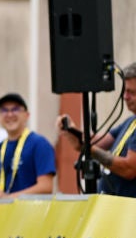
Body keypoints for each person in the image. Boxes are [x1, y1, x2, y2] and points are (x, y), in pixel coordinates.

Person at [0, 93, 56, 235]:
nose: (9, 114)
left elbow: (46, 186)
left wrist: (7, 198)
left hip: (34, 222)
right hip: (8, 225)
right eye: (4, 110)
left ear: (27, 115)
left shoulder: (39, 144)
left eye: (15, 109)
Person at [57, 62, 136, 197]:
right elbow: (97, 142)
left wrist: (88, 148)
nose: (125, 97)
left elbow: (129, 169)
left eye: (132, 92)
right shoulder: (130, 122)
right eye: (125, 91)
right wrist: (72, 131)